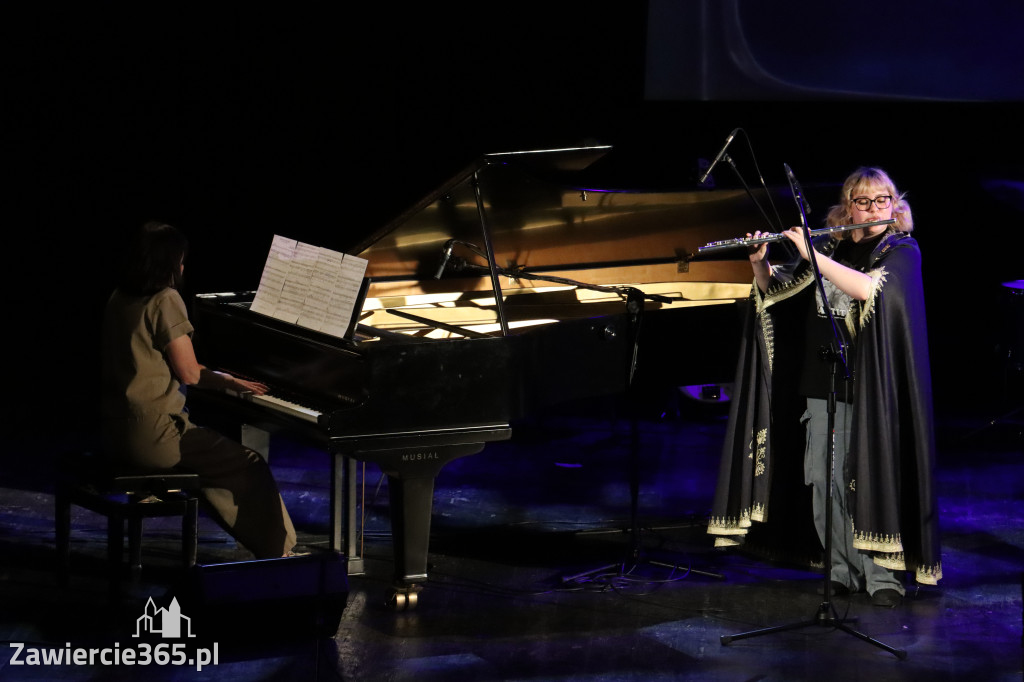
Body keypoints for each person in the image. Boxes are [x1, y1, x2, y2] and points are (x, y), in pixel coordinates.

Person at [706, 167, 941, 607]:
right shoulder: (831, 245)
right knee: (822, 480)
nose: (872, 210)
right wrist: (760, 263)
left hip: (871, 390)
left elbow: (870, 290)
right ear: (846, 206)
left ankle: (882, 579)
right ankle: (840, 570)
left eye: (881, 201)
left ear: (895, 206)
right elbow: (779, 294)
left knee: (865, 481)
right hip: (821, 384)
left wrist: (815, 259)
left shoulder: (902, 250)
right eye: (862, 202)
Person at [100, 220, 298, 559]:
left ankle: (267, 547)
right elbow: (189, 373)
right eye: (180, 259)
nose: (182, 267)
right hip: (157, 437)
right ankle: (282, 554)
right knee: (250, 464)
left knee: (217, 465)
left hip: (115, 431)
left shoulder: (119, 297)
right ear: (170, 262)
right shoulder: (165, 299)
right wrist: (229, 381)